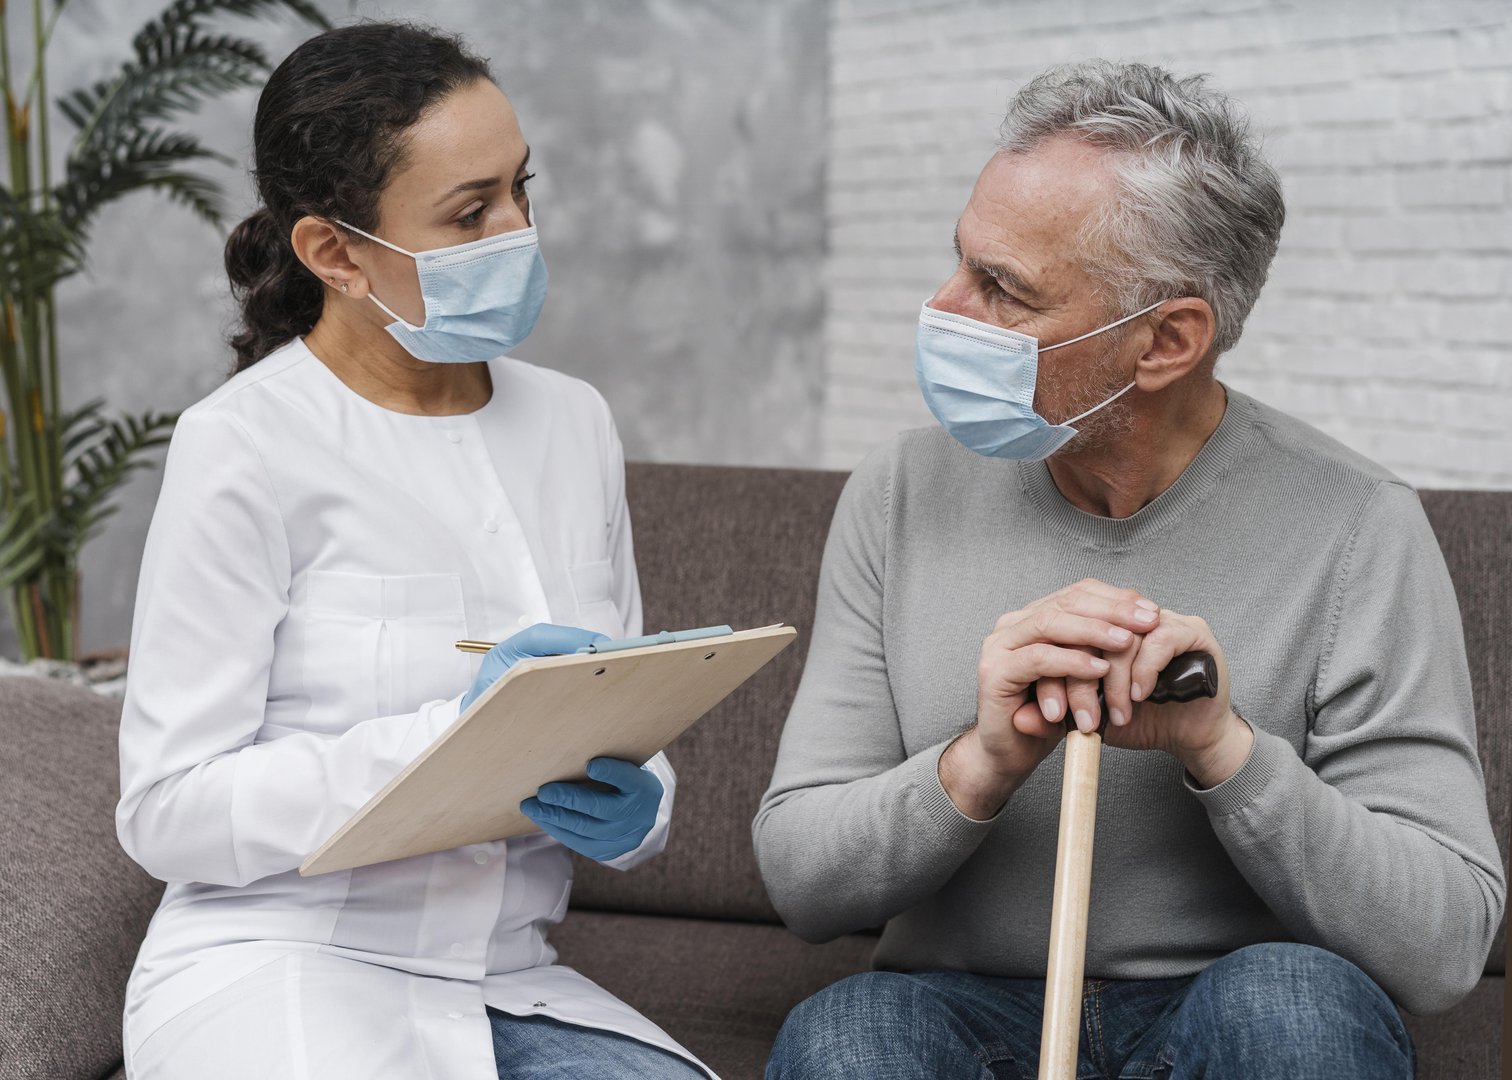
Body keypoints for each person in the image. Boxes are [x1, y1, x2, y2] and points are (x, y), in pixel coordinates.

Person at [754, 60, 1504, 1080]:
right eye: (961, 264)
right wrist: (981, 760)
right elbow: (804, 883)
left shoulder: (1359, 524)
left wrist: (1221, 748)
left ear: (1166, 341)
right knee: (850, 1033)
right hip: (961, 1010)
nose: (943, 309)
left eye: (1003, 289)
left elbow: (1444, 943)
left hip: (1234, 1008)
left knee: (1289, 1009)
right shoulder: (900, 491)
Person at [115, 22, 709, 1080]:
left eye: (522, 190)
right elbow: (168, 811)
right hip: (282, 968)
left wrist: (637, 806)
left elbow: (616, 708)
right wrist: (446, 743)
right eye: (471, 212)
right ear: (335, 252)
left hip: (508, 978)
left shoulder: (574, 424)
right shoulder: (244, 445)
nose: (519, 232)